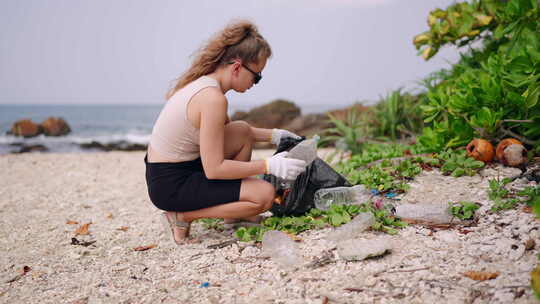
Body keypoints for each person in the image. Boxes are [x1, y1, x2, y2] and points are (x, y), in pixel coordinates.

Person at [145, 20, 307, 245]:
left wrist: (275, 135)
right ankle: (181, 217)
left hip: (172, 171)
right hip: (171, 185)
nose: (256, 82)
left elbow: (236, 132)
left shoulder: (206, 85)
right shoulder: (212, 98)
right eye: (256, 76)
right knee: (265, 194)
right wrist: (269, 165)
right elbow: (214, 169)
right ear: (237, 67)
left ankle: (237, 213)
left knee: (241, 131)